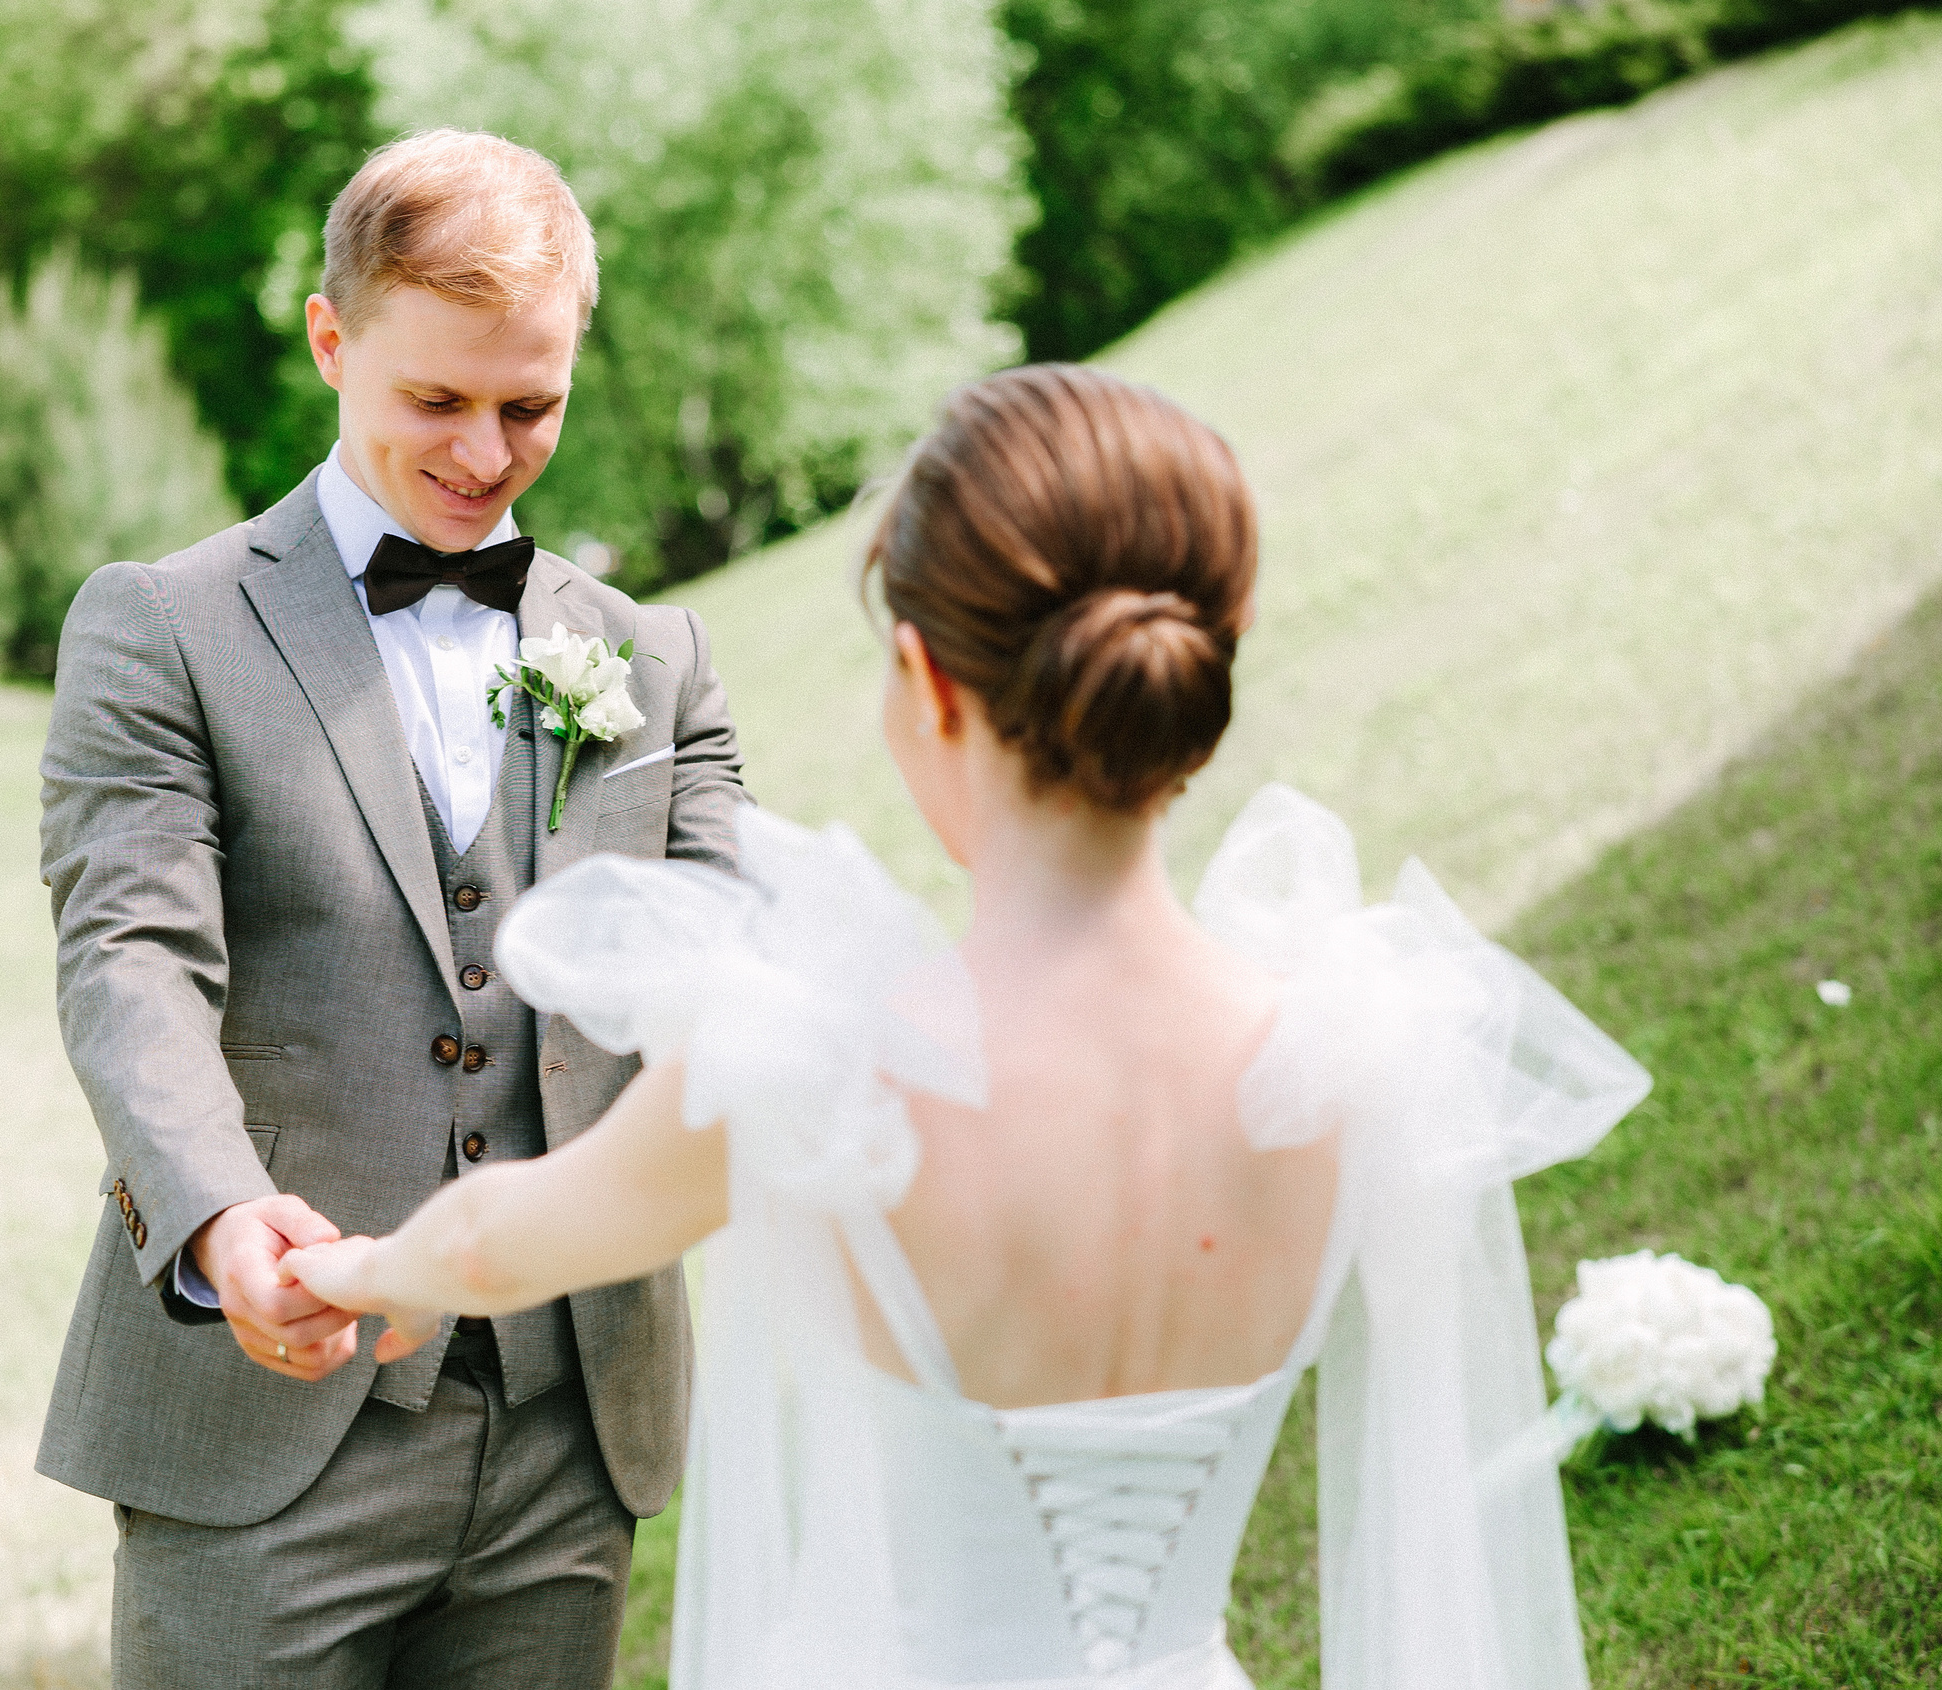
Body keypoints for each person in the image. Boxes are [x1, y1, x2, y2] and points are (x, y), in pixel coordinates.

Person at [289, 363, 1653, 1689]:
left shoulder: (830, 1074)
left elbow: (497, 1236)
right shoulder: (1351, 1062)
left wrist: (363, 1272)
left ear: (927, 681)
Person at [32, 128, 747, 1689]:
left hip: (572, 1428)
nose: (486, 454)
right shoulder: (163, 625)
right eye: (437, 400)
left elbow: (746, 972)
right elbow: (126, 960)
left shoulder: (656, 657)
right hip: (261, 1427)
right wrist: (224, 1224)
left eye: (530, 404)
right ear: (331, 337)